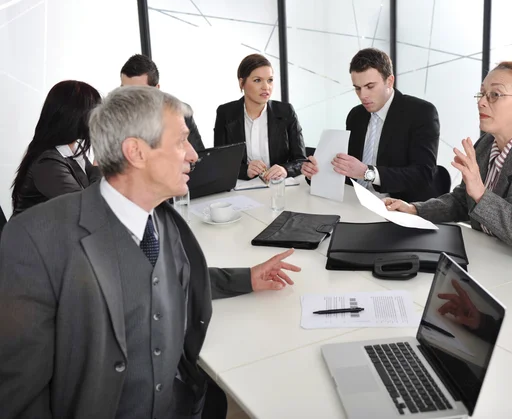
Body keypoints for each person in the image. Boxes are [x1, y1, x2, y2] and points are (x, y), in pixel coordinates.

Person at [0, 86, 301, 419]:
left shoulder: (167, 223)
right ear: (136, 152)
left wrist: (248, 277)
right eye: (180, 142)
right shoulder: (34, 238)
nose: (193, 155)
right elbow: (21, 397)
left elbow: (173, 278)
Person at [385, 61, 512, 262]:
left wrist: (481, 194)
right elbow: (462, 201)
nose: (481, 102)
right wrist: (415, 209)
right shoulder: (485, 144)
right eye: (482, 94)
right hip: (493, 259)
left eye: (495, 95)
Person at [301, 48, 440, 202]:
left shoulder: (421, 112)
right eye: (357, 88)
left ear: (390, 81)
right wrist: (316, 173)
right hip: (356, 203)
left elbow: (423, 175)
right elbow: (350, 172)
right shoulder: (356, 115)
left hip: (400, 209)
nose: (363, 96)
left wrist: (368, 173)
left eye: (370, 86)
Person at [11, 80, 102, 216]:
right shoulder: (47, 163)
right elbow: (88, 212)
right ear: (75, 116)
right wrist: (100, 162)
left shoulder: (73, 152)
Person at [214, 53, 306, 181]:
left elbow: (301, 160)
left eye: (270, 80)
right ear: (242, 83)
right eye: (257, 80)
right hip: (243, 188)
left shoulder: (286, 112)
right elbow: (219, 162)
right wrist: (244, 170)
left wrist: (285, 169)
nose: (266, 87)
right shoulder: (225, 113)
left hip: (278, 188)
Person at [120, 54, 205, 153]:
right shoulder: (113, 119)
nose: (130, 98)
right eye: (124, 91)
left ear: (157, 90)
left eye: (139, 93)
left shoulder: (180, 113)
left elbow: (199, 158)